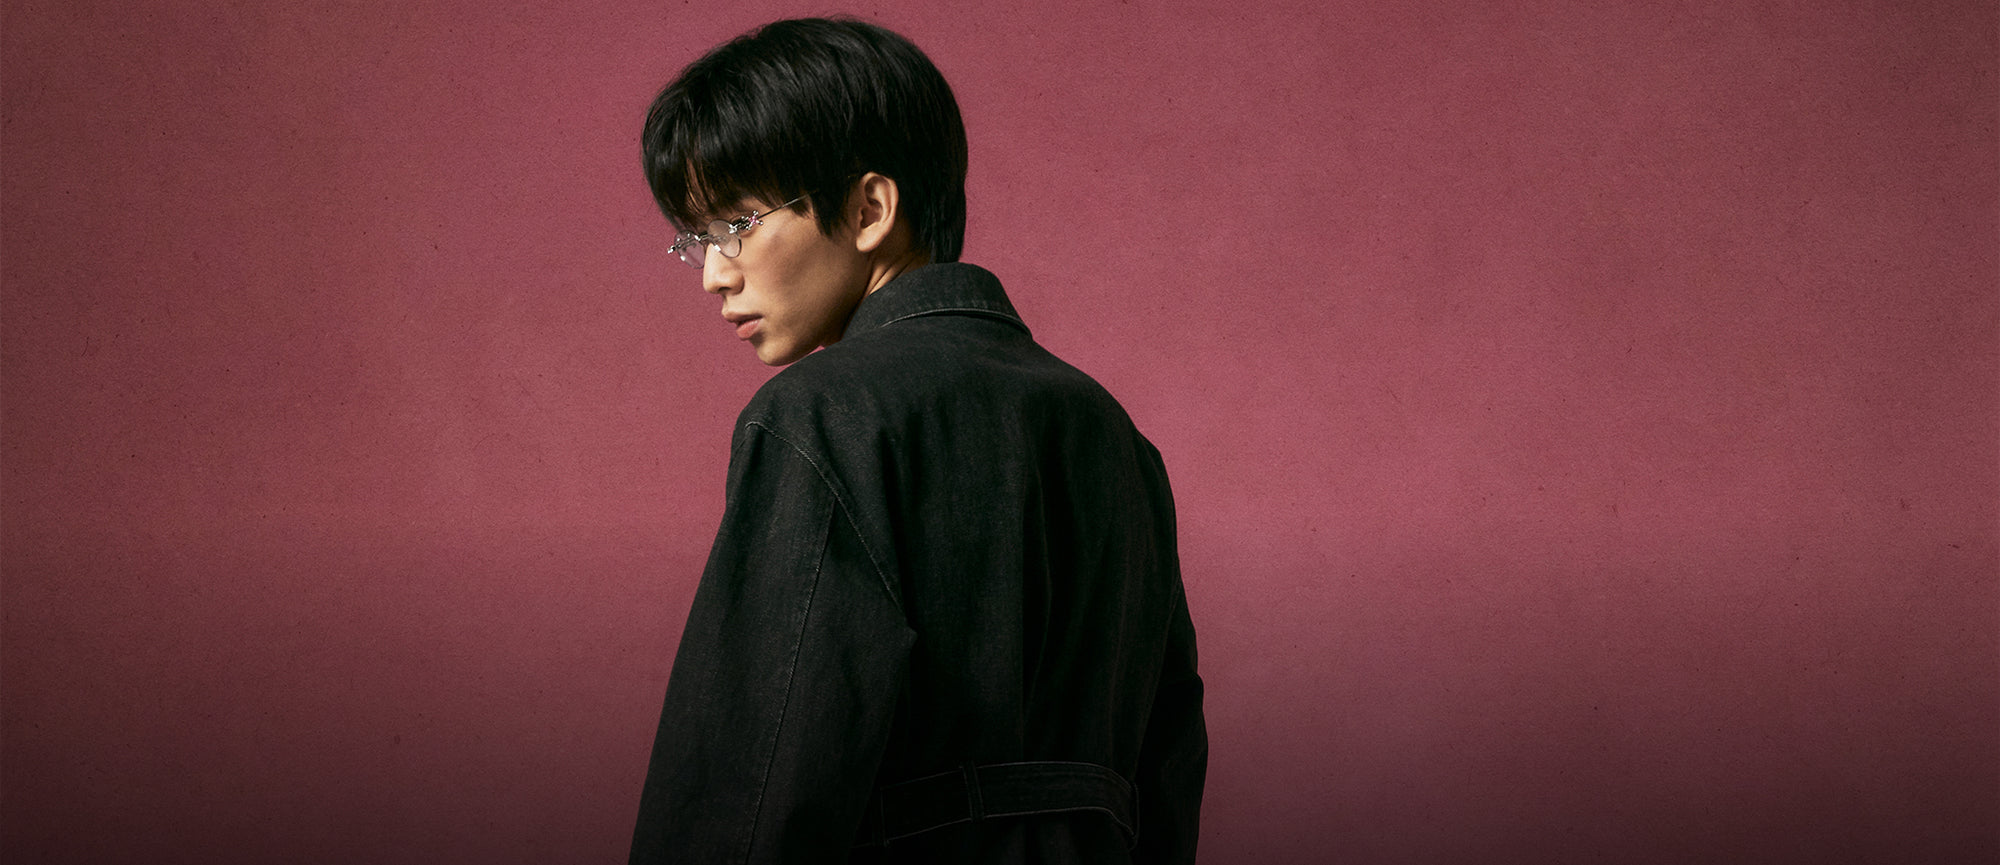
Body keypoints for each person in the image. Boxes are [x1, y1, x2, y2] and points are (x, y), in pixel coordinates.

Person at [628, 17, 1205, 865]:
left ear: (869, 208)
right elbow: (1168, 768)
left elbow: (746, 785)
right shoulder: (1117, 438)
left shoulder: (819, 414)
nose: (716, 271)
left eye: (739, 222)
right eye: (697, 238)